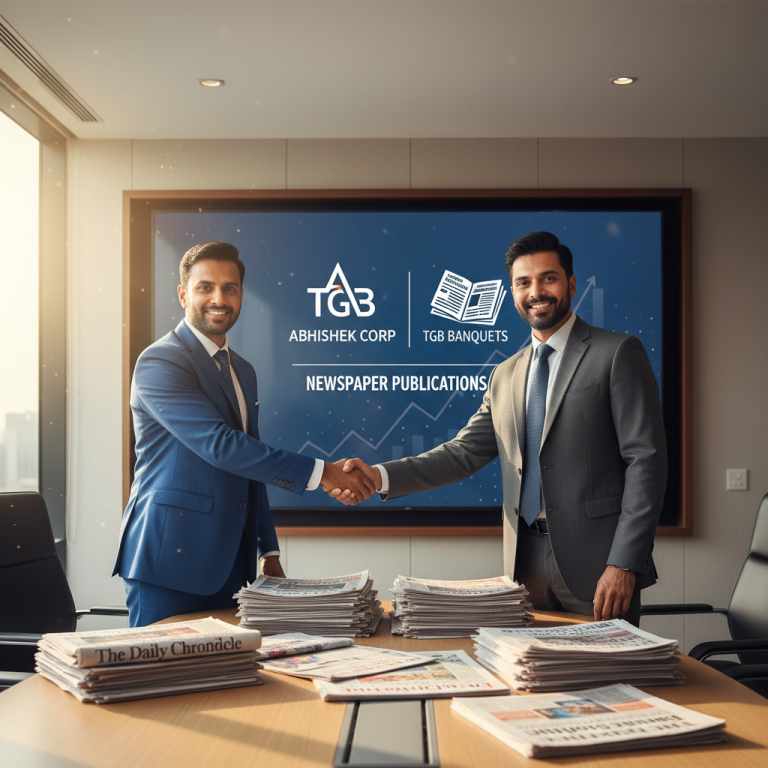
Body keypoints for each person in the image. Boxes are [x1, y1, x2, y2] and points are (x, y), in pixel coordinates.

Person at [336, 232, 667, 626]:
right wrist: (377, 476)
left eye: (548, 278)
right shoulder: (505, 374)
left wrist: (624, 562)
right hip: (524, 566)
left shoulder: (616, 353)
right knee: (528, 666)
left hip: (599, 565)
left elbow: (646, 461)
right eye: (523, 282)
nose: (536, 292)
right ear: (512, 292)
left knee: (606, 667)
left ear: (571, 284)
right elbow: (463, 453)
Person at [114, 241, 375, 626]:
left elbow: (249, 460)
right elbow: (221, 446)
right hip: (169, 560)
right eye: (205, 287)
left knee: (232, 665)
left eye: (230, 288)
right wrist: (325, 474)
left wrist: (268, 551)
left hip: (232, 565)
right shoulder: (161, 360)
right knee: (163, 665)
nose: (219, 299)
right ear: (183, 294)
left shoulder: (243, 370)